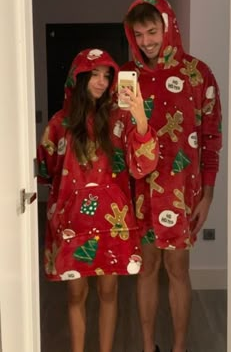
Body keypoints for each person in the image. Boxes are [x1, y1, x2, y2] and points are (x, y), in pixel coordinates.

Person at [37, 48, 159, 352]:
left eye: (108, 76)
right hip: (72, 224)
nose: (102, 82)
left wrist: (140, 116)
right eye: (95, 74)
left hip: (113, 225)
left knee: (109, 293)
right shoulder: (59, 123)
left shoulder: (120, 119)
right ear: (79, 77)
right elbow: (44, 169)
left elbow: (143, 164)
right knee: (75, 295)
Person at [121, 0, 222, 352]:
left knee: (178, 271)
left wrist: (208, 194)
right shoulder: (127, 78)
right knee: (146, 269)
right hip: (141, 194)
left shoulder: (198, 74)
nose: (146, 42)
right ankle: (149, 347)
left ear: (168, 27)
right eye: (139, 34)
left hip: (183, 194)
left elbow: (212, 137)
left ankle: (179, 348)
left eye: (153, 31)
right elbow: (119, 141)